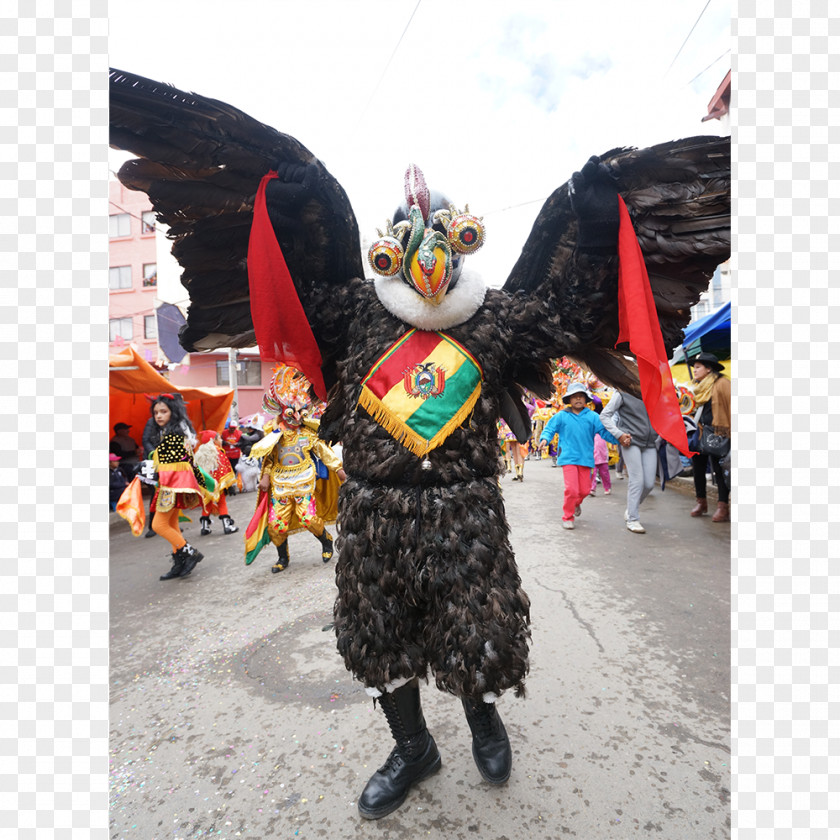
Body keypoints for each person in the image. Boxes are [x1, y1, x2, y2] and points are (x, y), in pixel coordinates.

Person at [246, 366, 346, 573]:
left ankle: (326, 541)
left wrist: (338, 469)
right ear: (282, 411)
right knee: (276, 525)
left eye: (301, 411)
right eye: (292, 411)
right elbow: (270, 460)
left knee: (308, 518)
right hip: (280, 484)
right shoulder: (275, 436)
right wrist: (265, 477)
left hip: (304, 481)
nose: (297, 415)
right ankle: (283, 557)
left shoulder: (308, 434)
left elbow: (324, 451)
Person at [538, 383, 628, 529]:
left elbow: (605, 433)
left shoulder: (593, 417)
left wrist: (619, 439)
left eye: (581, 396)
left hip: (586, 459)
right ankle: (568, 516)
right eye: (574, 396)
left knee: (585, 490)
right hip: (568, 458)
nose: (578, 399)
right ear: (569, 400)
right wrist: (544, 439)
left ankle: (576, 503)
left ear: (586, 399)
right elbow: (549, 428)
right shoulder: (561, 415)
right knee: (571, 489)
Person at [146, 393, 211, 580]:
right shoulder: (169, 431)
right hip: (172, 481)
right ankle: (180, 561)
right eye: (156, 412)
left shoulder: (175, 433)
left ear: (172, 412)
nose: (158, 416)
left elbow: (166, 459)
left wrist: (149, 461)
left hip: (173, 483)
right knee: (171, 523)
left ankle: (189, 552)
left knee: (158, 525)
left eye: (163, 412)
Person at [600, 390, 658, 534]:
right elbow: (605, 415)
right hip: (630, 441)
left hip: (650, 442)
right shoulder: (622, 392)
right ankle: (632, 519)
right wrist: (619, 434)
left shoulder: (655, 390)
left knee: (649, 484)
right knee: (637, 480)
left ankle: (632, 508)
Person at [688, 352, 731, 522]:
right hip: (699, 432)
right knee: (698, 468)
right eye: (694, 367)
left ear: (708, 368)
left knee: (719, 470)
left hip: (718, 433)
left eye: (698, 367)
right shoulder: (696, 387)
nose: (695, 370)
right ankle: (701, 502)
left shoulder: (722, 384)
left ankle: (722, 506)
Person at [194, 430, 240, 536]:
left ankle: (204, 527)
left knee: (207, 503)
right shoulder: (218, 452)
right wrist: (229, 485)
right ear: (213, 440)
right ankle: (227, 526)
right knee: (222, 502)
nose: (221, 440)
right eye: (219, 438)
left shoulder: (198, 454)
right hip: (217, 484)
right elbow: (225, 469)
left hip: (205, 485)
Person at [220, 421, 243, 490]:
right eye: (231, 428)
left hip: (235, 455)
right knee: (227, 471)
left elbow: (242, 442)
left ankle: (232, 484)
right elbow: (220, 441)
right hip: (226, 455)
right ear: (228, 427)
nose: (232, 430)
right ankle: (228, 485)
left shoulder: (239, 433)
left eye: (234, 428)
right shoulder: (223, 433)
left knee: (234, 470)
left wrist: (237, 444)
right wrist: (225, 442)